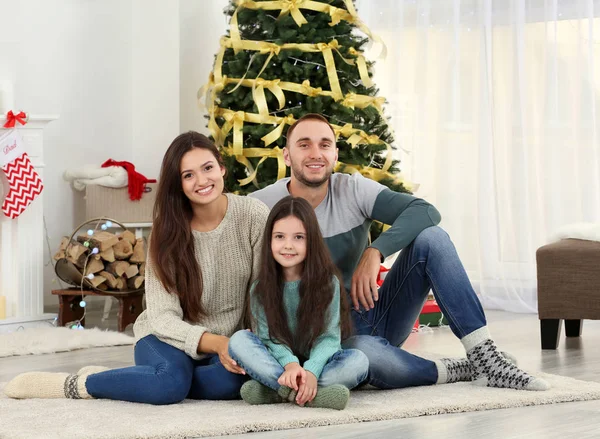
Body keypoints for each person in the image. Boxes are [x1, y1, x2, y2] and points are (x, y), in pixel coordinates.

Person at [250, 114, 549, 391]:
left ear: (335, 154)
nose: (316, 153)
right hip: (312, 340)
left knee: (432, 238)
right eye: (304, 145)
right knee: (366, 353)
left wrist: (375, 251)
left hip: (366, 317)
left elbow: (424, 211)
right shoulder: (260, 205)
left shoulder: (353, 190)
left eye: (324, 144)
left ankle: (485, 358)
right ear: (287, 155)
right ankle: (452, 369)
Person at [4, 131, 270, 404]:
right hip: (165, 337)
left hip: (228, 340)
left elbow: (266, 291)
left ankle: (140, 379)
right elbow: (163, 318)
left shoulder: (253, 215)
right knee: (169, 385)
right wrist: (218, 343)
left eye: (208, 168)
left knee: (233, 380)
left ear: (222, 168)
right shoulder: (167, 232)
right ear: (178, 184)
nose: (202, 181)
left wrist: (244, 344)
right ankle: (80, 383)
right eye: (188, 175)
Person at [228, 196, 369, 411]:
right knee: (238, 341)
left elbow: (329, 339)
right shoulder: (260, 287)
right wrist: (290, 365)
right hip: (280, 363)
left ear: (311, 240)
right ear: (269, 241)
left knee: (358, 362)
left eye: (298, 237)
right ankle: (302, 393)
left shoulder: (327, 283)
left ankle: (276, 390)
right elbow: (269, 338)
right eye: (279, 237)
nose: (288, 246)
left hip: (320, 366)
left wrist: (311, 371)